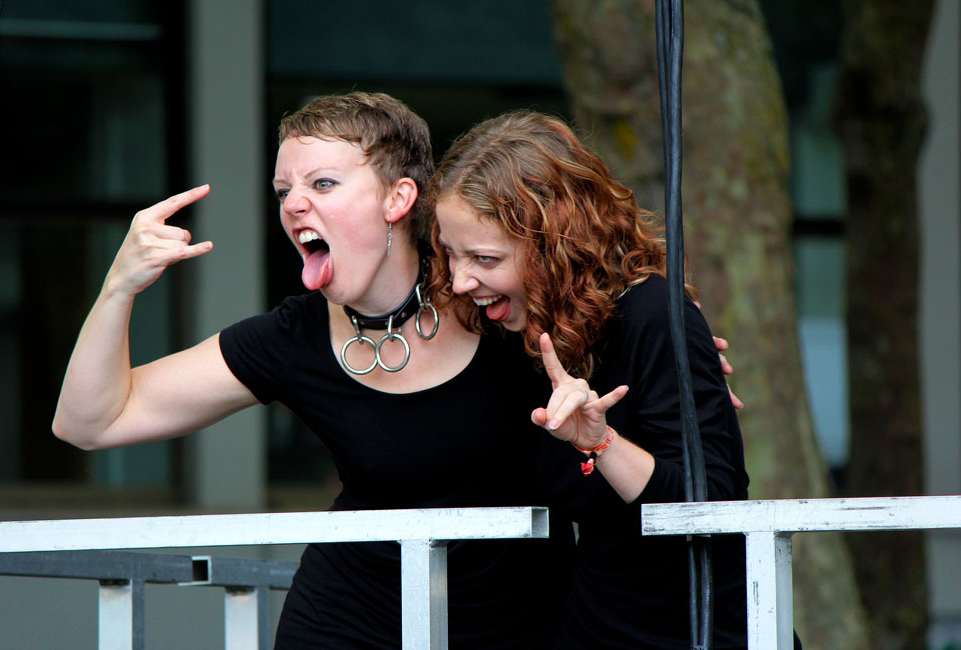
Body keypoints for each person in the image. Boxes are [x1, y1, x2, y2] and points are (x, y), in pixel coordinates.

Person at [51, 92, 586, 649]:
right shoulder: (293, 338)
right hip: (344, 621)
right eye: (284, 191)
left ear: (398, 197)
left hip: (516, 626)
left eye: (323, 184)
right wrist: (119, 287)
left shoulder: (495, 294)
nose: (294, 206)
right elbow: (88, 422)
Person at [427, 110, 758, 649]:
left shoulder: (652, 316)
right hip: (590, 629)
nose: (461, 280)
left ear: (555, 243)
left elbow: (712, 510)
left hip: (700, 632)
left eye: (484, 258)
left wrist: (601, 442)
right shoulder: (514, 334)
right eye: (450, 252)